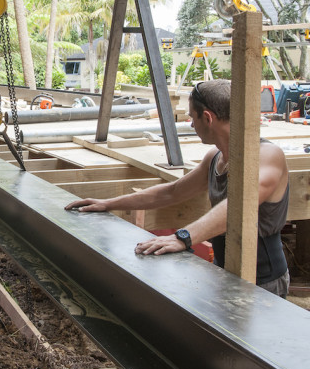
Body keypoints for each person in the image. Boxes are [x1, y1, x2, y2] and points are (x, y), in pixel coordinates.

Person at [64, 79, 291, 297]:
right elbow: (172, 191)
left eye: (193, 117)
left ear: (208, 117)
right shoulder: (215, 157)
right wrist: (108, 204)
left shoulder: (267, 156)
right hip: (225, 270)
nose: (192, 125)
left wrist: (183, 237)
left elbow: (240, 207)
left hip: (264, 279)